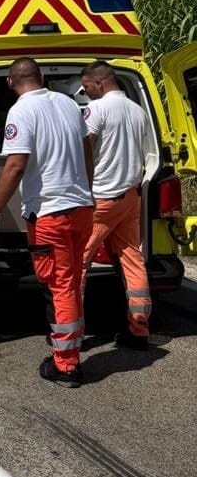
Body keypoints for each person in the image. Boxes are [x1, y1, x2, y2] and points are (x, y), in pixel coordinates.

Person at [0, 58, 93, 388]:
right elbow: (87, 148)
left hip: (51, 215)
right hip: (81, 208)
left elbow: (15, 164)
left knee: (60, 286)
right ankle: (65, 342)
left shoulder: (20, 111)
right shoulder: (69, 104)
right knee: (71, 281)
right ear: (41, 77)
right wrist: (87, 187)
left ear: (9, 81)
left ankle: (67, 365)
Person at [80, 61, 156, 350]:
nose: (85, 93)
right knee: (132, 259)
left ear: (99, 83)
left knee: (78, 263)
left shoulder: (96, 110)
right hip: (130, 197)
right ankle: (139, 328)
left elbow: (84, 147)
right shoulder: (138, 111)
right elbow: (149, 152)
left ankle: (73, 332)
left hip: (101, 198)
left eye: (86, 87)